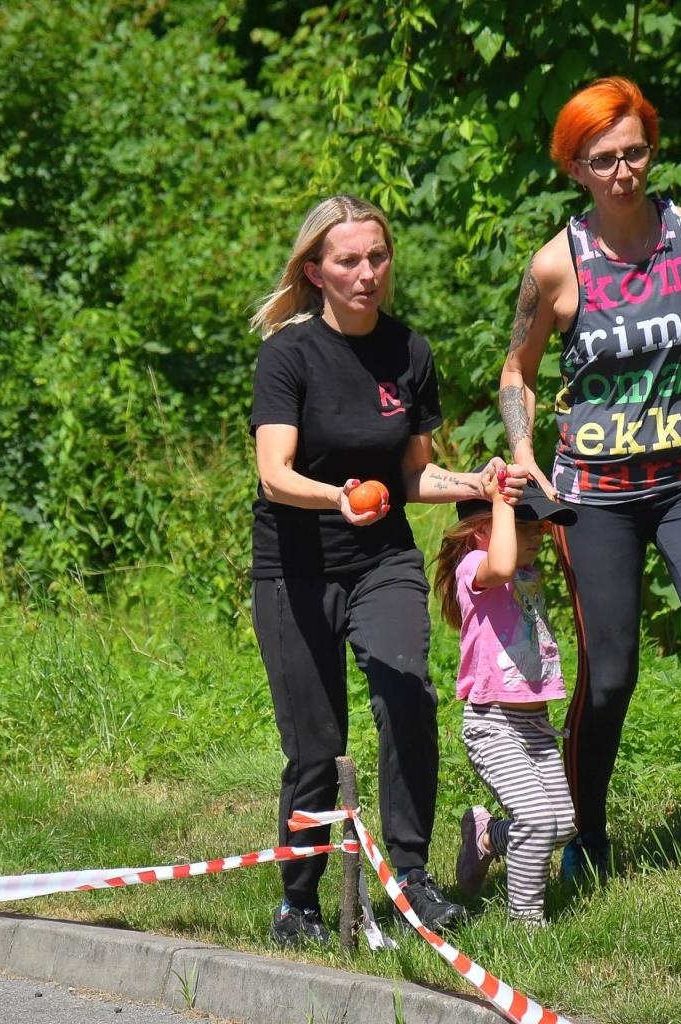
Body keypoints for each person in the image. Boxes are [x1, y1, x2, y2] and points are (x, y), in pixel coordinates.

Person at [496, 76, 681, 879]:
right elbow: (517, 371)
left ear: (651, 150)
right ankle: (586, 835)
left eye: (635, 152)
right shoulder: (557, 266)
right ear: (576, 168)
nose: (624, 171)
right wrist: (524, 455)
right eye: (604, 159)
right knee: (610, 673)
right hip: (594, 492)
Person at [248, 194, 521, 946]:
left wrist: (477, 484)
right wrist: (337, 496)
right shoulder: (289, 354)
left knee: (406, 694)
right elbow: (275, 475)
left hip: (382, 560)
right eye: (347, 261)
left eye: (377, 257)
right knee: (315, 745)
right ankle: (298, 903)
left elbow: (408, 478)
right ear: (315, 270)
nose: (366, 273)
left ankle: (410, 880)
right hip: (293, 569)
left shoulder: (409, 351)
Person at [432, 478, 579, 926]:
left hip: (535, 725)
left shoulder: (525, 573)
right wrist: (499, 499)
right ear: (484, 528)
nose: (538, 535)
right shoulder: (476, 566)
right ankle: (526, 923)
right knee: (536, 820)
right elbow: (498, 563)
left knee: (563, 825)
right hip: (493, 725)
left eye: (539, 528)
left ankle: (488, 836)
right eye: (525, 524)